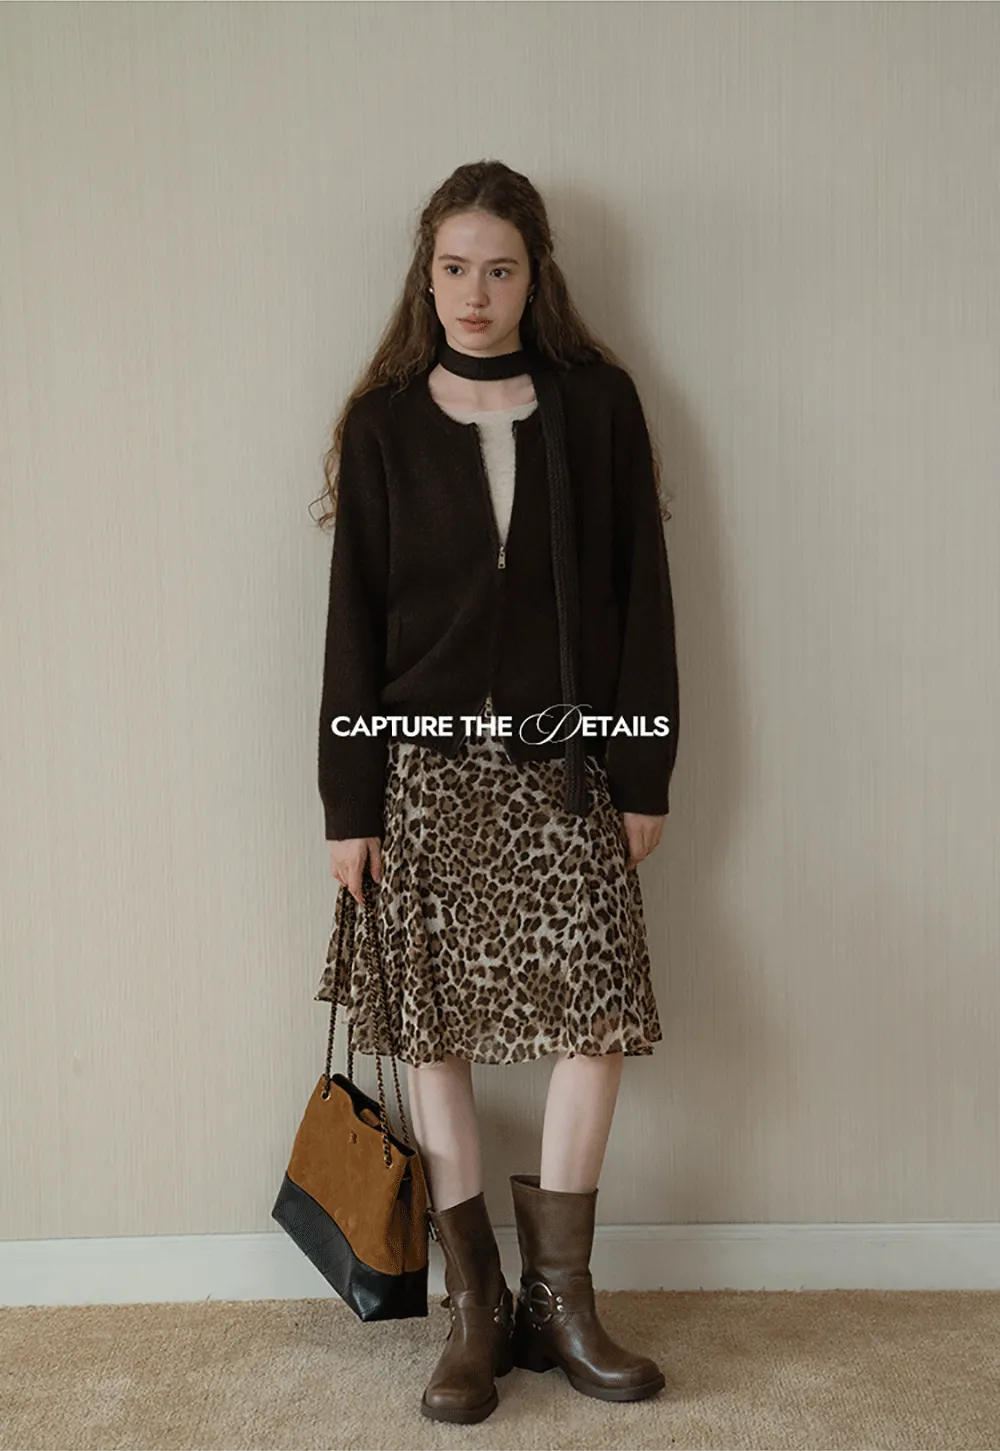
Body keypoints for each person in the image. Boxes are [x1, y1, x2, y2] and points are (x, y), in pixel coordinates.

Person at [310, 159, 679, 1424]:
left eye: (500, 268)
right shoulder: (382, 423)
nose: (476, 292)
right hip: (419, 773)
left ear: (535, 277)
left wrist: (642, 766)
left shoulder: (598, 405)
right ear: (428, 276)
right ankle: (477, 1309)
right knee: (434, 1035)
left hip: (565, 768)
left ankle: (560, 1301)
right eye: (456, 268)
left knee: (595, 1015)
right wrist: (348, 805)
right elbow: (351, 623)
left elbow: (642, 601)